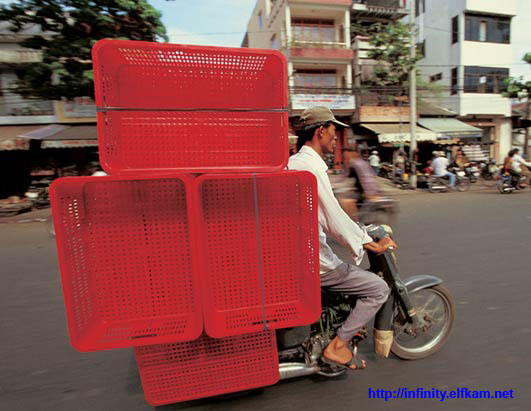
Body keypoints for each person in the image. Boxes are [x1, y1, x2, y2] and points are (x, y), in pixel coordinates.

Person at [288, 106, 396, 370]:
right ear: (321, 130)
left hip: (293, 255)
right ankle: (337, 346)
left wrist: (355, 232)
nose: (336, 137)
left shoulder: (295, 162)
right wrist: (370, 244)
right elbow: (332, 215)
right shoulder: (310, 167)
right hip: (314, 262)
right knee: (378, 289)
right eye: (334, 130)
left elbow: (328, 214)